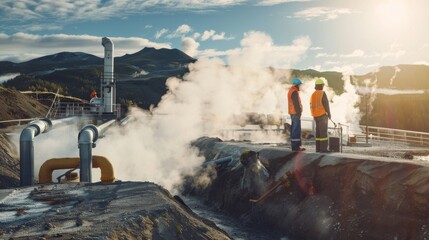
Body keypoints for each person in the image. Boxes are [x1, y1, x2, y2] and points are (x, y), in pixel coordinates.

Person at [310, 78, 331, 152]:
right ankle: (324, 149)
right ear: (321, 86)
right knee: (323, 133)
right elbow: (326, 104)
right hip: (322, 115)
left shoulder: (313, 94)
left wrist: (314, 115)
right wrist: (329, 114)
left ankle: (318, 149)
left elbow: (311, 106)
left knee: (318, 133)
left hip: (316, 116)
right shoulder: (322, 93)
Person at [288, 78, 305, 151]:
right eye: (300, 85)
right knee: (296, 129)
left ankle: (295, 146)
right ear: (297, 85)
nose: (300, 86)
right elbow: (296, 103)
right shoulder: (294, 92)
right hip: (295, 113)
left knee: (294, 129)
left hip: (293, 112)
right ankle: (295, 147)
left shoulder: (291, 91)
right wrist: (299, 112)